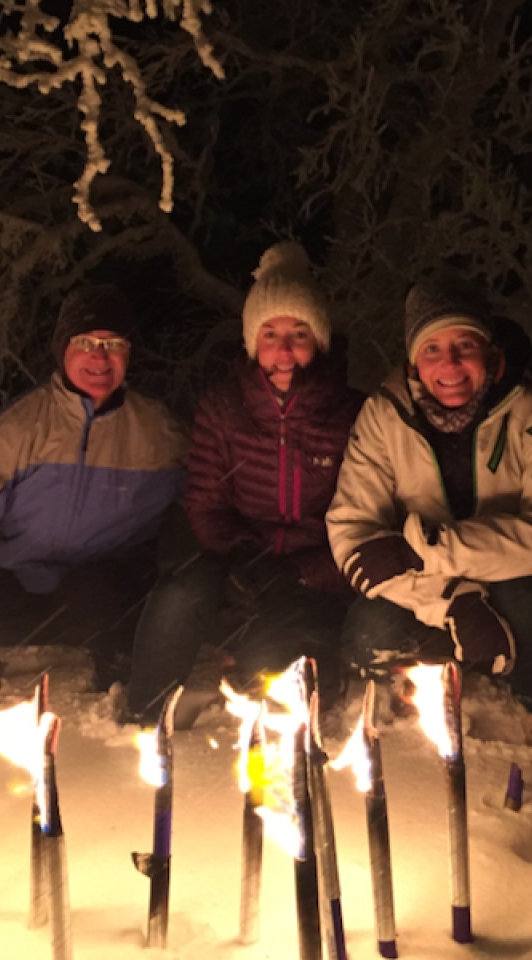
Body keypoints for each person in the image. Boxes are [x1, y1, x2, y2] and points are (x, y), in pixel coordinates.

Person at [326, 273, 532, 745]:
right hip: (431, 589)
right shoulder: (384, 416)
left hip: (512, 579)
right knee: (369, 633)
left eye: (464, 345)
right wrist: (450, 602)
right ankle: (439, 674)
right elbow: (354, 535)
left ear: (489, 351)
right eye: (432, 348)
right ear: (413, 360)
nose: (448, 363)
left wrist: (429, 551)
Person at [0, 284, 187, 703]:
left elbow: (206, 499)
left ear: (129, 354)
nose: (99, 357)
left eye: (113, 344)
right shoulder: (17, 429)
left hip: (98, 593)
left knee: (106, 597)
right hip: (13, 586)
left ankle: (120, 676)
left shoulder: (159, 434)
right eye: (85, 342)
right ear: (61, 349)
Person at [120, 241, 364, 725]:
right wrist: (244, 560)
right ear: (253, 342)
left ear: (319, 339)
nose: (284, 350)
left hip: (317, 578)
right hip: (240, 567)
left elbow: (365, 517)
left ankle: (292, 683)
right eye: (270, 334)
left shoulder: (353, 414)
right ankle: (145, 717)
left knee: (278, 669)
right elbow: (205, 502)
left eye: (298, 333)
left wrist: (302, 573)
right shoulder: (224, 407)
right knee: (179, 595)